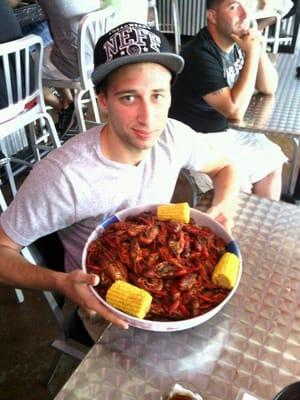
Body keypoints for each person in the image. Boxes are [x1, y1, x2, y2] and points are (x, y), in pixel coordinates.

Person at [0, 22, 240, 341]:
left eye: (158, 95)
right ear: (102, 100)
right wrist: (60, 282)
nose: (148, 117)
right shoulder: (65, 176)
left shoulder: (173, 135)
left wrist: (224, 207)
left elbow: (225, 167)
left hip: (176, 294)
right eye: (129, 98)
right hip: (106, 316)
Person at [169, 0, 287, 200]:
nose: (244, 14)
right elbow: (234, 111)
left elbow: (269, 87)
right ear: (212, 16)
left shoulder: (235, 42)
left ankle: (259, 221)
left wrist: (257, 48)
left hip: (226, 131)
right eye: (233, 7)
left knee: (272, 159)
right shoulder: (199, 54)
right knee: (238, 186)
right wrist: (250, 53)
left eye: (245, 5)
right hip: (198, 138)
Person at [37, 0, 101, 134]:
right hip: (96, 59)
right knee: (52, 51)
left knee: (23, 69)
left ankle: (62, 108)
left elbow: (11, 4)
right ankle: (69, 104)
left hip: (75, 67)